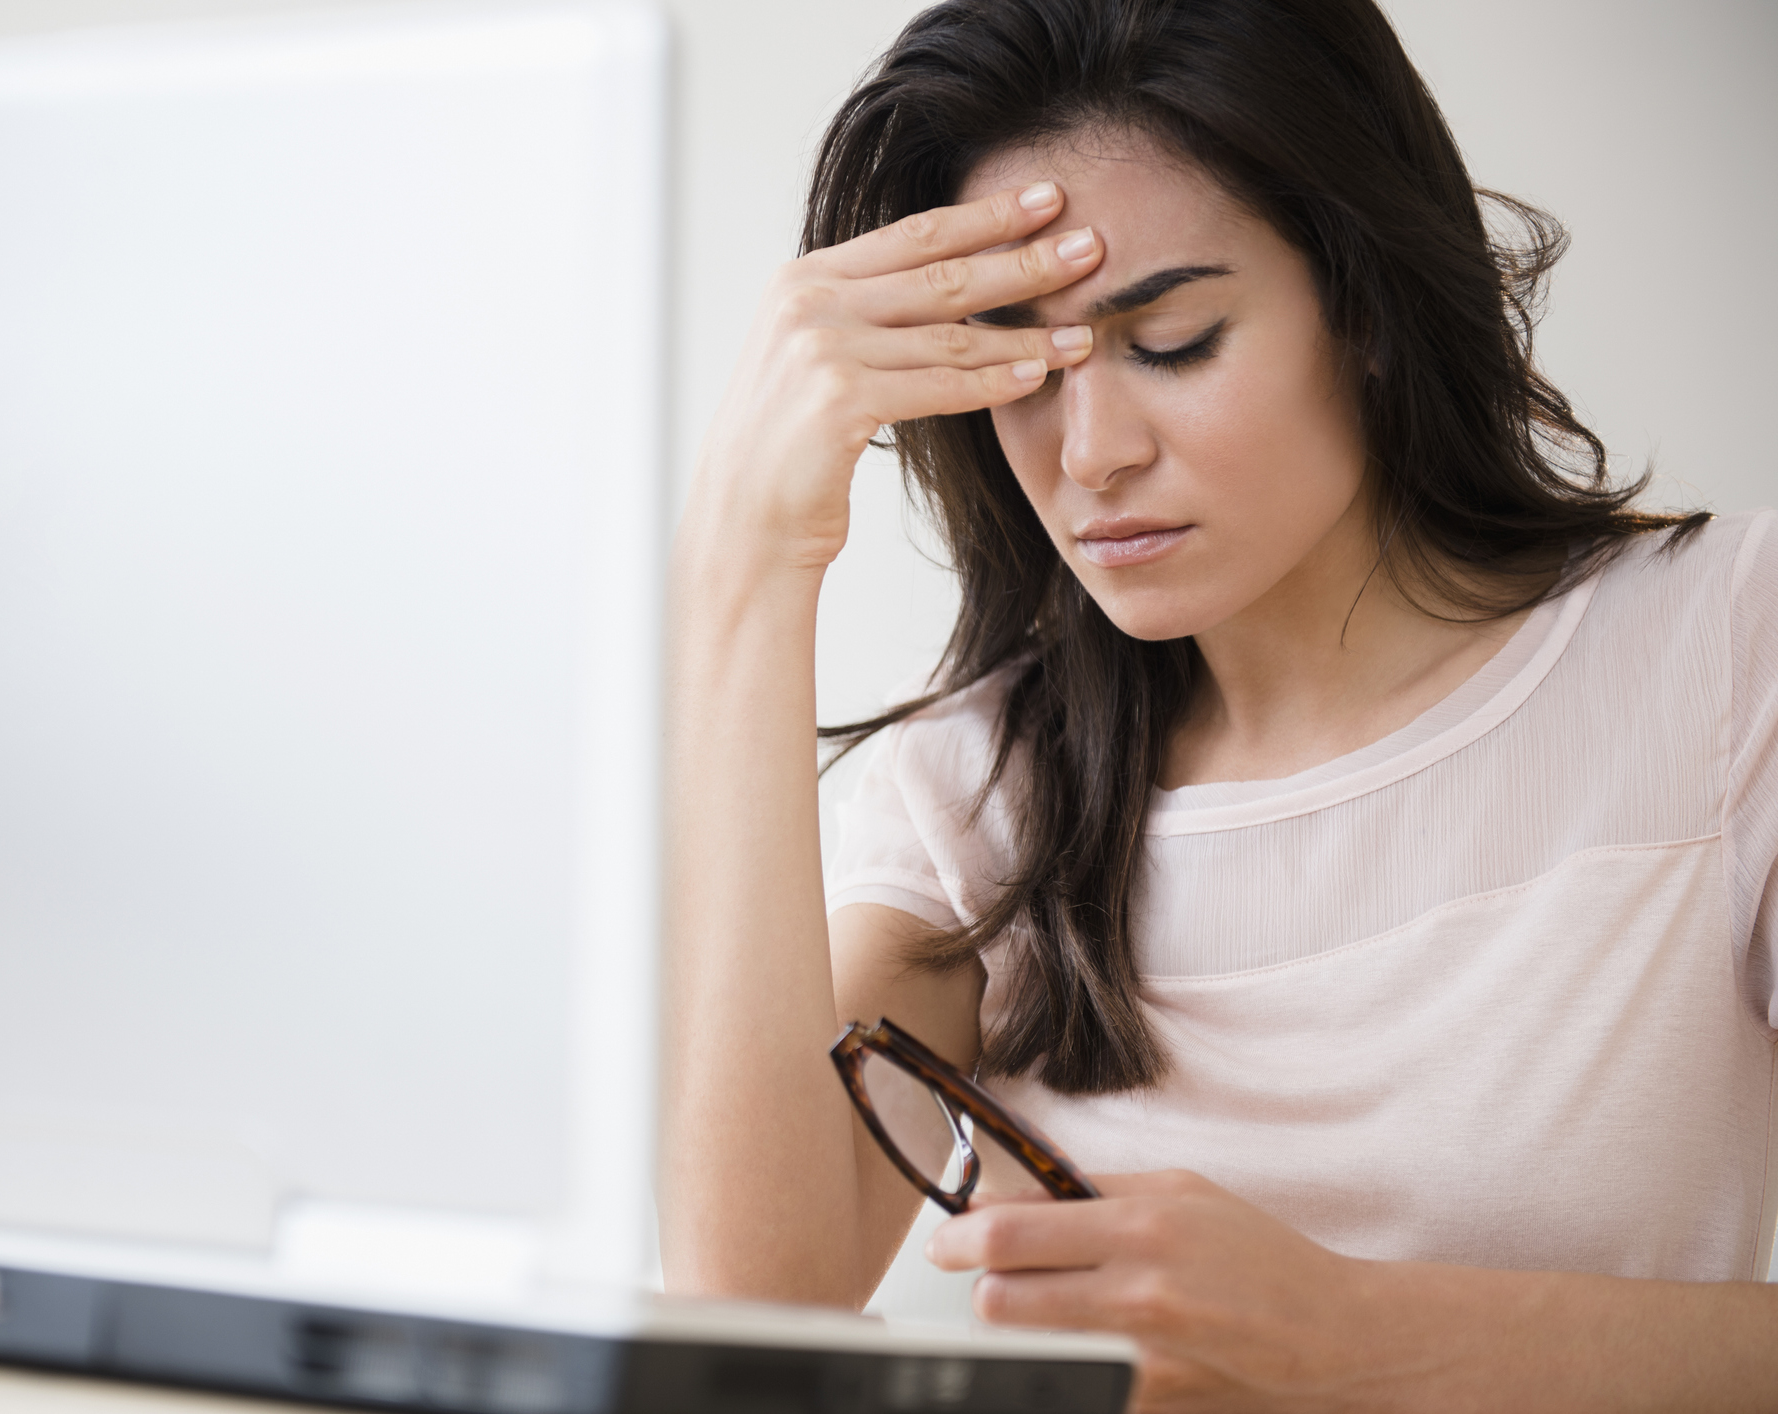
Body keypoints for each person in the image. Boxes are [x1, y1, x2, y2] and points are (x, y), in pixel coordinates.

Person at [659, 0, 1778, 1407]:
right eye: (1025, 364)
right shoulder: (978, 790)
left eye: (1174, 339)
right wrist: (745, 567)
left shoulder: (1729, 650)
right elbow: (740, 1309)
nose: (1093, 454)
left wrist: (1367, 1337)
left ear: (1362, 304)